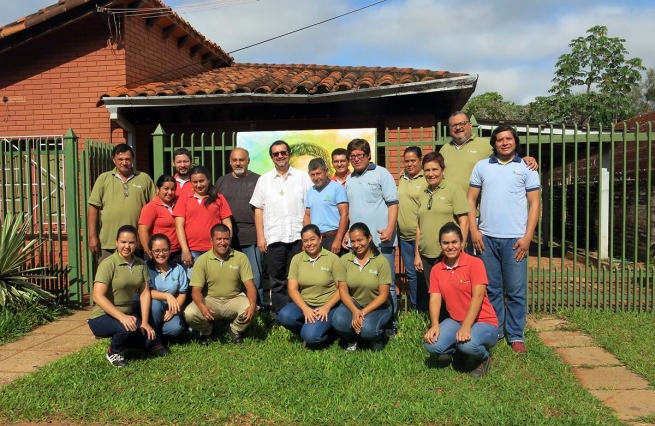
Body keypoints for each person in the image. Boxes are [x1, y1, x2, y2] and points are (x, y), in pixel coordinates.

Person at [467, 125, 541, 353]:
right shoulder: (482, 166)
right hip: (486, 238)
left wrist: (528, 236)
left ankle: (516, 335)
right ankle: (496, 329)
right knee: (492, 289)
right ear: (494, 143)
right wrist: (474, 231)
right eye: (500, 139)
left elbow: (535, 203)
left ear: (515, 142)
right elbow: (470, 200)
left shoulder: (527, 168)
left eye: (509, 139)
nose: (505, 143)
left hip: (515, 240)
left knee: (516, 290)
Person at [423, 223, 498, 378]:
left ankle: (483, 357)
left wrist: (466, 327)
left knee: (468, 344)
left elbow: (478, 297)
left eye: (454, 242)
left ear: (462, 242)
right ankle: (459, 351)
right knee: (431, 344)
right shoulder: (437, 269)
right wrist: (435, 325)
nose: (450, 247)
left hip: (483, 321)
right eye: (445, 243)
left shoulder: (475, 263)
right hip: (455, 320)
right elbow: (435, 299)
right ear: (440, 244)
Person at [87, 225, 167, 367]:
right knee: (125, 327)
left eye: (131, 242)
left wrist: (144, 322)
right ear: (116, 242)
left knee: (149, 339)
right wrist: (122, 317)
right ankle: (114, 351)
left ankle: (124, 339)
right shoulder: (108, 264)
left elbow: (144, 294)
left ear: (136, 243)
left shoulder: (141, 264)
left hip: (127, 314)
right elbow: (98, 296)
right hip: (101, 316)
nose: (127, 246)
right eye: (123, 242)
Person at [250, 140, 312, 316]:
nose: (280, 156)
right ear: (272, 157)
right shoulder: (264, 180)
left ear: (289, 154)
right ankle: (280, 315)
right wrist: (260, 237)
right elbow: (258, 210)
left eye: (283, 152)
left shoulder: (302, 178)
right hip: (274, 237)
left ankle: (297, 313)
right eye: (276, 154)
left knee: (297, 278)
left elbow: (309, 207)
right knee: (276, 280)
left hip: (298, 237)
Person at [345, 138, 398, 333]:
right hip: (358, 244)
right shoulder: (350, 179)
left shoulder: (382, 173)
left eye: (360, 155)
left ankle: (391, 326)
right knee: (360, 284)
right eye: (353, 156)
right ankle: (361, 320)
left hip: (381, 239)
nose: (356, 159)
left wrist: (390, 228)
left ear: (369, 156)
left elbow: (393, 203)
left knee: (388, 285)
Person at [184, 224, 258, 345]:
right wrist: (202, 307)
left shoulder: (241, 257)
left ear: (230, 239)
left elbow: (250, 285)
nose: (222, 243)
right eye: (218, 239)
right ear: (211, 240)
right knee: (190, 313)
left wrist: (253, 305)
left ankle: (235, 329)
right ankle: (207, 330)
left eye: (226, 238)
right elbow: (196, 290)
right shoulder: (202, 260)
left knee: (252, 308)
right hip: (211, 299)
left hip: (234, 298)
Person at [414, 151, 469, 305]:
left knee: (449, 294)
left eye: (435, 169)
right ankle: (436, 325)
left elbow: (464, 221)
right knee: (433, 292)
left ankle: (450, 325)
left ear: (443, 170)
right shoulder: (423, 193)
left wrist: (461, 247)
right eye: (427, 170)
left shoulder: (454, 190)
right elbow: (419, 225)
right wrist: (417, 254)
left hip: (446, 253)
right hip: (426, 253)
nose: (431, 174)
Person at [277, 224, 344, 348]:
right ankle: (307, 329)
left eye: (312, 239)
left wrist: (327, 307)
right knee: (284, 316)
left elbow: (341, 289)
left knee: (312, 337)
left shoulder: (333, 259)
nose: (309, 243)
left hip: (326, 305)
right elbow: (292, 288)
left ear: (320, 238)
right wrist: (305, 308)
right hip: (306, 303)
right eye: (305, 241)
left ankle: (328, 333)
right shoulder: (297, 259)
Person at [88, 143, 155, 261]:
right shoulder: (104, 179)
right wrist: (92, 236)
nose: (124, 162)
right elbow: (93, 208)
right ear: (113, 160)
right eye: (120, 159)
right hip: (109, 242)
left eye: (128, 159)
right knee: (107, 277)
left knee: (137, 277)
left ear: (133, 159)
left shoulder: (144, 178)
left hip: (137, 242)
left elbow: (155, 208)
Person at [215, 148, 264, 306]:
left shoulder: (259, 180)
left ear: (248, 161)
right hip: (227, 239)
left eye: (241, 160)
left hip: (252, 237)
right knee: (230, 276)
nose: (238, 163)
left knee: (255, 276)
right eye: (235, 160)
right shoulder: (222, 181)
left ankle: (257, 310)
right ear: (230, 162)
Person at [333, 223, 393, 351]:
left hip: (379, 306)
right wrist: (355, 311)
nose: (356, 245)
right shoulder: (344, 260)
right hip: (355, 303)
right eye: (353, 241)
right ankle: (352, 340)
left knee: (368, 330)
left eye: (360, 240)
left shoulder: (381, 261)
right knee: (338, 321)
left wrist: (362, 313)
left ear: (369, 239)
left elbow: (383, 295)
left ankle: (377, 337)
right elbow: (342, 291)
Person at [173, 166, 232, 277]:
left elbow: (227, 223)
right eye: (195, 182)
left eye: (202, 181)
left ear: (208, 180)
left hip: (214, 249)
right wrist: (186, 251)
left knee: (215, 281)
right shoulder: (184, 199)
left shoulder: (219, 198)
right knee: (193, 285)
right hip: (192, 251)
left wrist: (226, 243)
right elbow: (179, 226)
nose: (199, 185)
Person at [396, 146, 427, 311]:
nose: (409, 164)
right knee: (411, 276)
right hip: (403, 237)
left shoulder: (425, 179)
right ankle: (416, 309)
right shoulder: (402, 178)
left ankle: (427, 309)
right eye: (406, 161)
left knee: (423, 275)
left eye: (413, 160)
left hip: (420, 236)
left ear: (420, 160)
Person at [145, 234, 188, 341]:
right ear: (150, 252)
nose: (161, 254)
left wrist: (172, 311)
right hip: (150, 308)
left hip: (169, 308)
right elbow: (146, 292)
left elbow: (183, 293)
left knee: (175, 329)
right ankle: (154, 337)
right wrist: (167, 295)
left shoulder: (178, 269)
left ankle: (155, 333)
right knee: (155, 303)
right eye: (157, 251)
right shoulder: (145, 267)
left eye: (165, 250)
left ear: (170, 251)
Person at [303, 158, 349, 254]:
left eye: (319, 173)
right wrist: (306, 240)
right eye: (312, 175)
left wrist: (338, 240)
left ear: (326, 171)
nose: (316, 178)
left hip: (333, 236)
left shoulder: (337, 188)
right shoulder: (310, 191)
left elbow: (345, 215)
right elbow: (307, 216)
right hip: (316, 239)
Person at [138, 175, 182, 265]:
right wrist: (150, 253)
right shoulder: (151, 207)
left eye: (172, 189)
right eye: (166, 189)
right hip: (158, 254)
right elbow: (142, 231)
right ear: (157, 189)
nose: (169, 192)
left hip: (177, 252)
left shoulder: (178, 204)